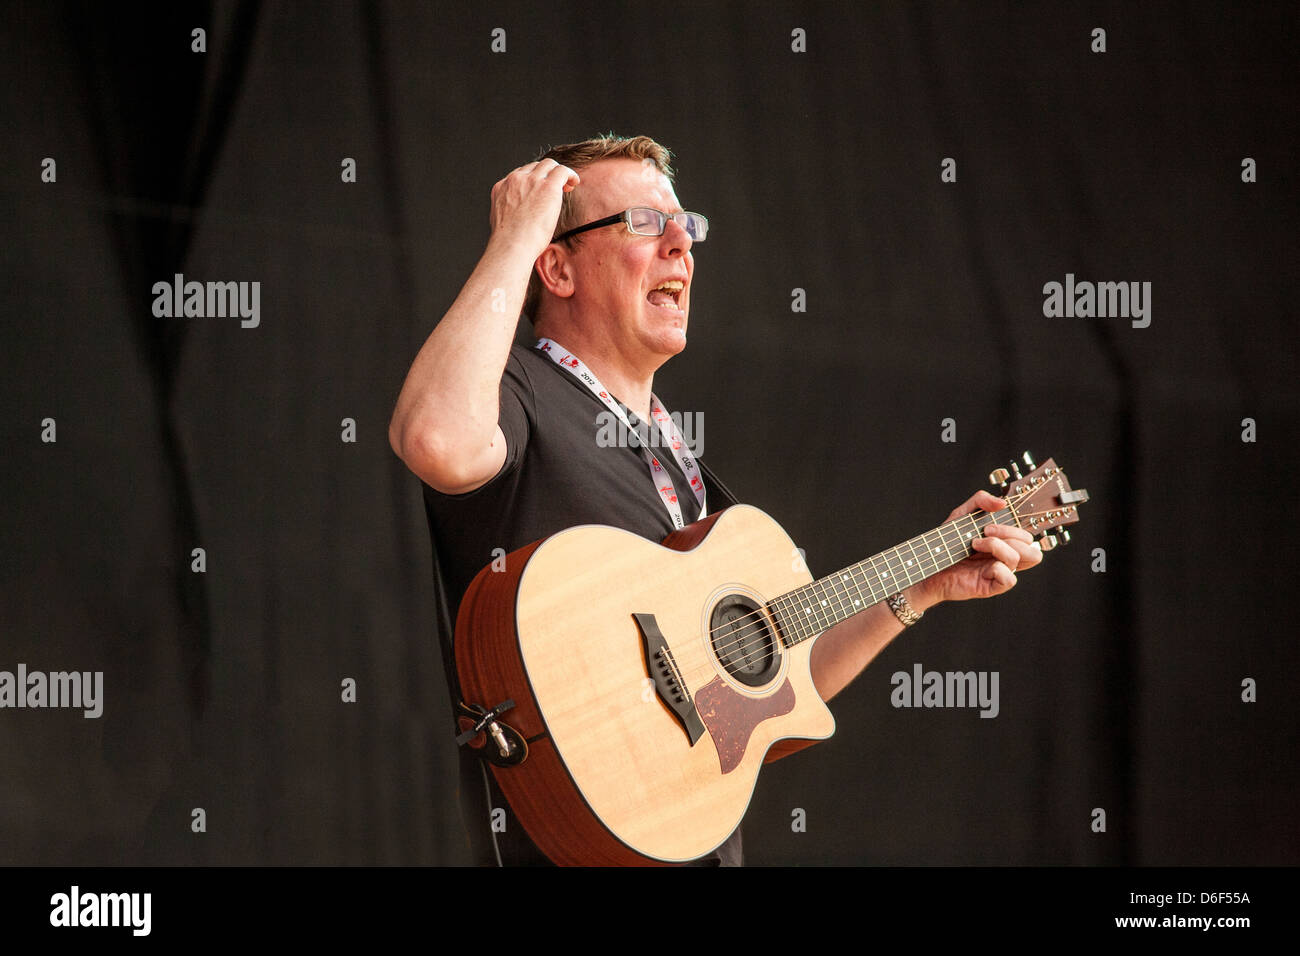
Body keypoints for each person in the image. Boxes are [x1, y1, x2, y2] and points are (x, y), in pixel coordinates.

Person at [388, 134, 1042, 866]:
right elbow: (436, 438)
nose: (680, 244)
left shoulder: (682, 462)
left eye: (687, 225)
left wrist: (923, 584)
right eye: (641, 223)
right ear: (559, 265)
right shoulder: (520, 396)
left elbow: (779, 687)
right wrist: (513, 238)